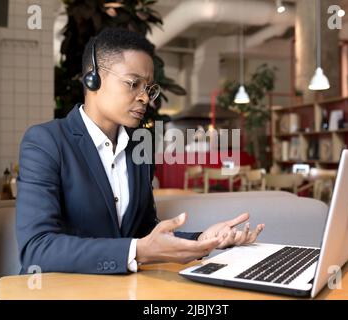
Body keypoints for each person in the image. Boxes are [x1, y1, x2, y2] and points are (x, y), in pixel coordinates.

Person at [16, 28, 264, 275]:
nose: (146, 98)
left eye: (148, 88)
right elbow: (36, 250)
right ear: (93, 79)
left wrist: (202, 240)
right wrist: (136, 252)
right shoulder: (45, 142)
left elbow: (145, 232)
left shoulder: (140, 145)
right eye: (133, 83)